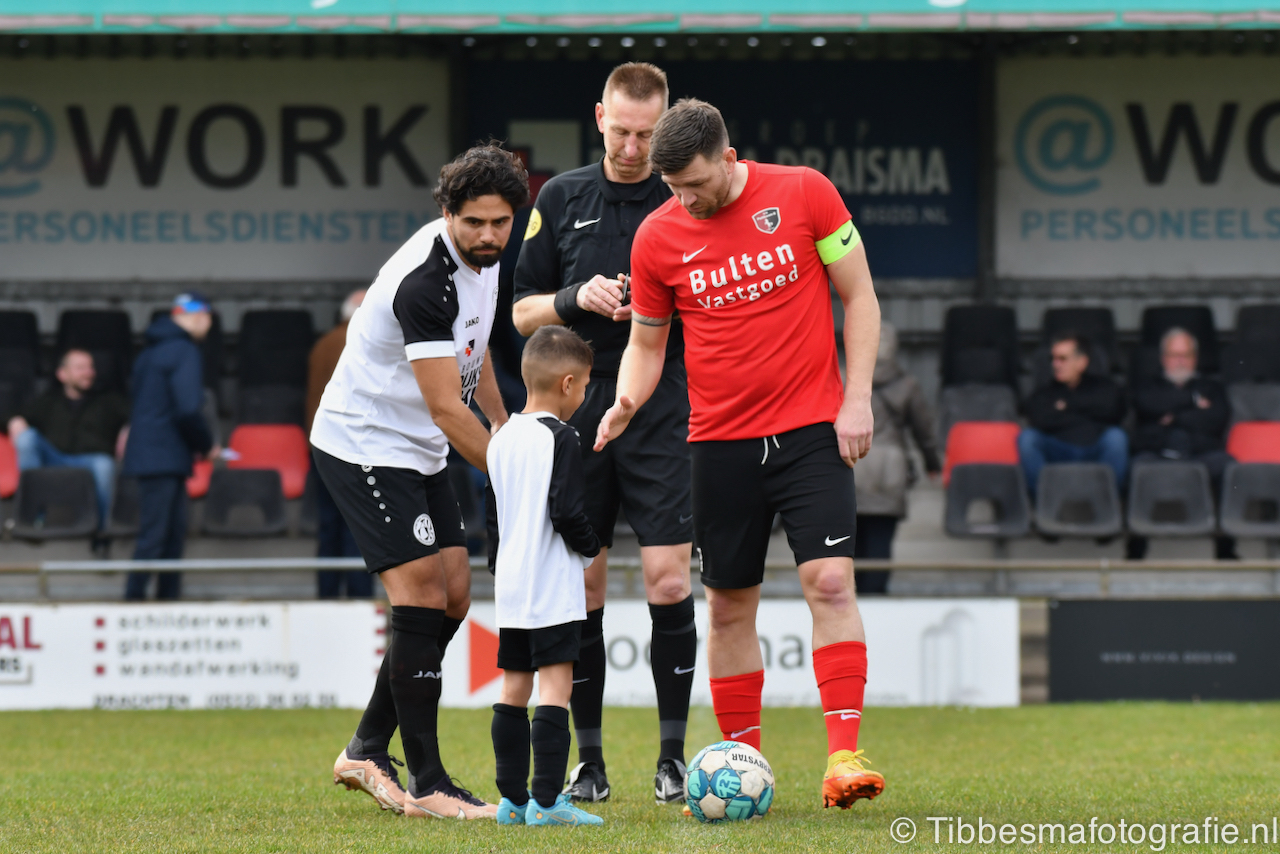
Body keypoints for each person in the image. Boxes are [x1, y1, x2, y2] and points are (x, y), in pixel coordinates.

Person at [596, 98, 886, 810]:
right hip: (719, 444)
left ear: (728, 159)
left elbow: (861, 297)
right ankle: (742, 762)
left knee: (830, 583)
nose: (686, 200)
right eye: (673, 189)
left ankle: (843, 756)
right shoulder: (657, 237)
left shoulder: (806, 192)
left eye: (696, 184)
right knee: (727, 607)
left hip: (812, 432)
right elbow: (646, 344)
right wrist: (627, 401)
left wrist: (857, 398)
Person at [314, 143, 528, 820]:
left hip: (422, 449)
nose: (488, 235)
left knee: (455, 597)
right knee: (422, 595)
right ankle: (429, 786)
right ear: (447, 213)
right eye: (474, 223)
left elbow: (475, 350)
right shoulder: (425, 281)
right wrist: (518, 472)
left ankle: (366, 748)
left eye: (500, 222)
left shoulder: (488, 261)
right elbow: (444, 406)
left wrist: (507, 425)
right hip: (366, 445)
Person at [512, 62, 696, 804]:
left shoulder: (686, 195)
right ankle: (589, 764)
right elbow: (520, 312)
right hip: (578, 411)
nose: (632, 148)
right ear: (599, 118)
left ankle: (672, 759)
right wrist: (572, 297)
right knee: (584, 582)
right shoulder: (560, 196)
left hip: (664, 406)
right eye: (621, 131)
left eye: (647, 135)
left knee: (669, 579)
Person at [486, 326, 604, 828]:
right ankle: (548, 803)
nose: (584, 396)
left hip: (512, 587)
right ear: (567, 383)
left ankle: (512, 802)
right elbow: (567, 511)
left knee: (513, 687)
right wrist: (591, 546)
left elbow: (493, 520)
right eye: (585, 387)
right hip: (551, 584)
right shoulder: (563, 437)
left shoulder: (500, 438)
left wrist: (502, 567)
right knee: (556, 689)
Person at [122, 293, 216, 601]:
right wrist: (206, 445)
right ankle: (136, 602)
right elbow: (188, 409)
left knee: (166, 536)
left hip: (153, 453)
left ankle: (157, 602)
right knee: (160, 538)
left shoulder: (149, 351)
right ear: (200, 317)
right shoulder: (184, 350)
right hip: (165, 455)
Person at [1127, 327, 1236, 560]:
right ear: (1162, 358)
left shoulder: (1212, 387)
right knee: (1136, 466)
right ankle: (1136, 549)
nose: (1180, 361)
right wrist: (1193, 403)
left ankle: (1225, 548)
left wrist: (1173, 417)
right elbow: (1146, 404)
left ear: (1195, 358)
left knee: (1228, 465)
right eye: (1173, 355)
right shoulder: (1148, 386)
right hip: (1157, 453)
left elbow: (1216, 419)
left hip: (1200, 454)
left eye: (1185, 355)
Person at [854, 322, 941, 594]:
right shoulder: (907, 384)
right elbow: (924, 431)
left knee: (848, 544)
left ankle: (850, 605)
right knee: (881, 540)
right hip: (890, 469)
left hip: (852, 465)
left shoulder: (844, 378)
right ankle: (876, 599)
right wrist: (933, 465)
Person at [8, 348, 129, 532]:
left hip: (92, 460)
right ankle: (33, 519)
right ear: (62, 374)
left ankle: (101, 531)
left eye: (90, 367)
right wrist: (15, 420)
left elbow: (140, 416)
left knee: (104, 465)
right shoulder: (49, 401)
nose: (88, 373)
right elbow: (12, 415)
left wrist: (129, 427)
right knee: (26, 438)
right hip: (55, 458)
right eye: (80, 368)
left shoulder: (109, 400)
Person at [306, 288, 372, 599]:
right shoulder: (366, 344)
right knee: (360, 525)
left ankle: (327, 594)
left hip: (322, 446)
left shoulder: (323, 344)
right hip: (357, 448)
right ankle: (359, 596)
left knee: (329, 524)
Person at [1018, 332, 1128, 498]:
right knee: (1028, 438)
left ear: (1081, 362)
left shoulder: (1103, 387)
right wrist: (1088, 412)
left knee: (1116, 438)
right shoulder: (1045, 392)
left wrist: (1066, 406)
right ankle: (1042, 500)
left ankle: (1108, 500)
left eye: (1062, 359)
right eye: (1053, 359)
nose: (1055, 364)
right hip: (1058, 449)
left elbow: (1114, 411)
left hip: (1094, 447)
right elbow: (1039, 419)